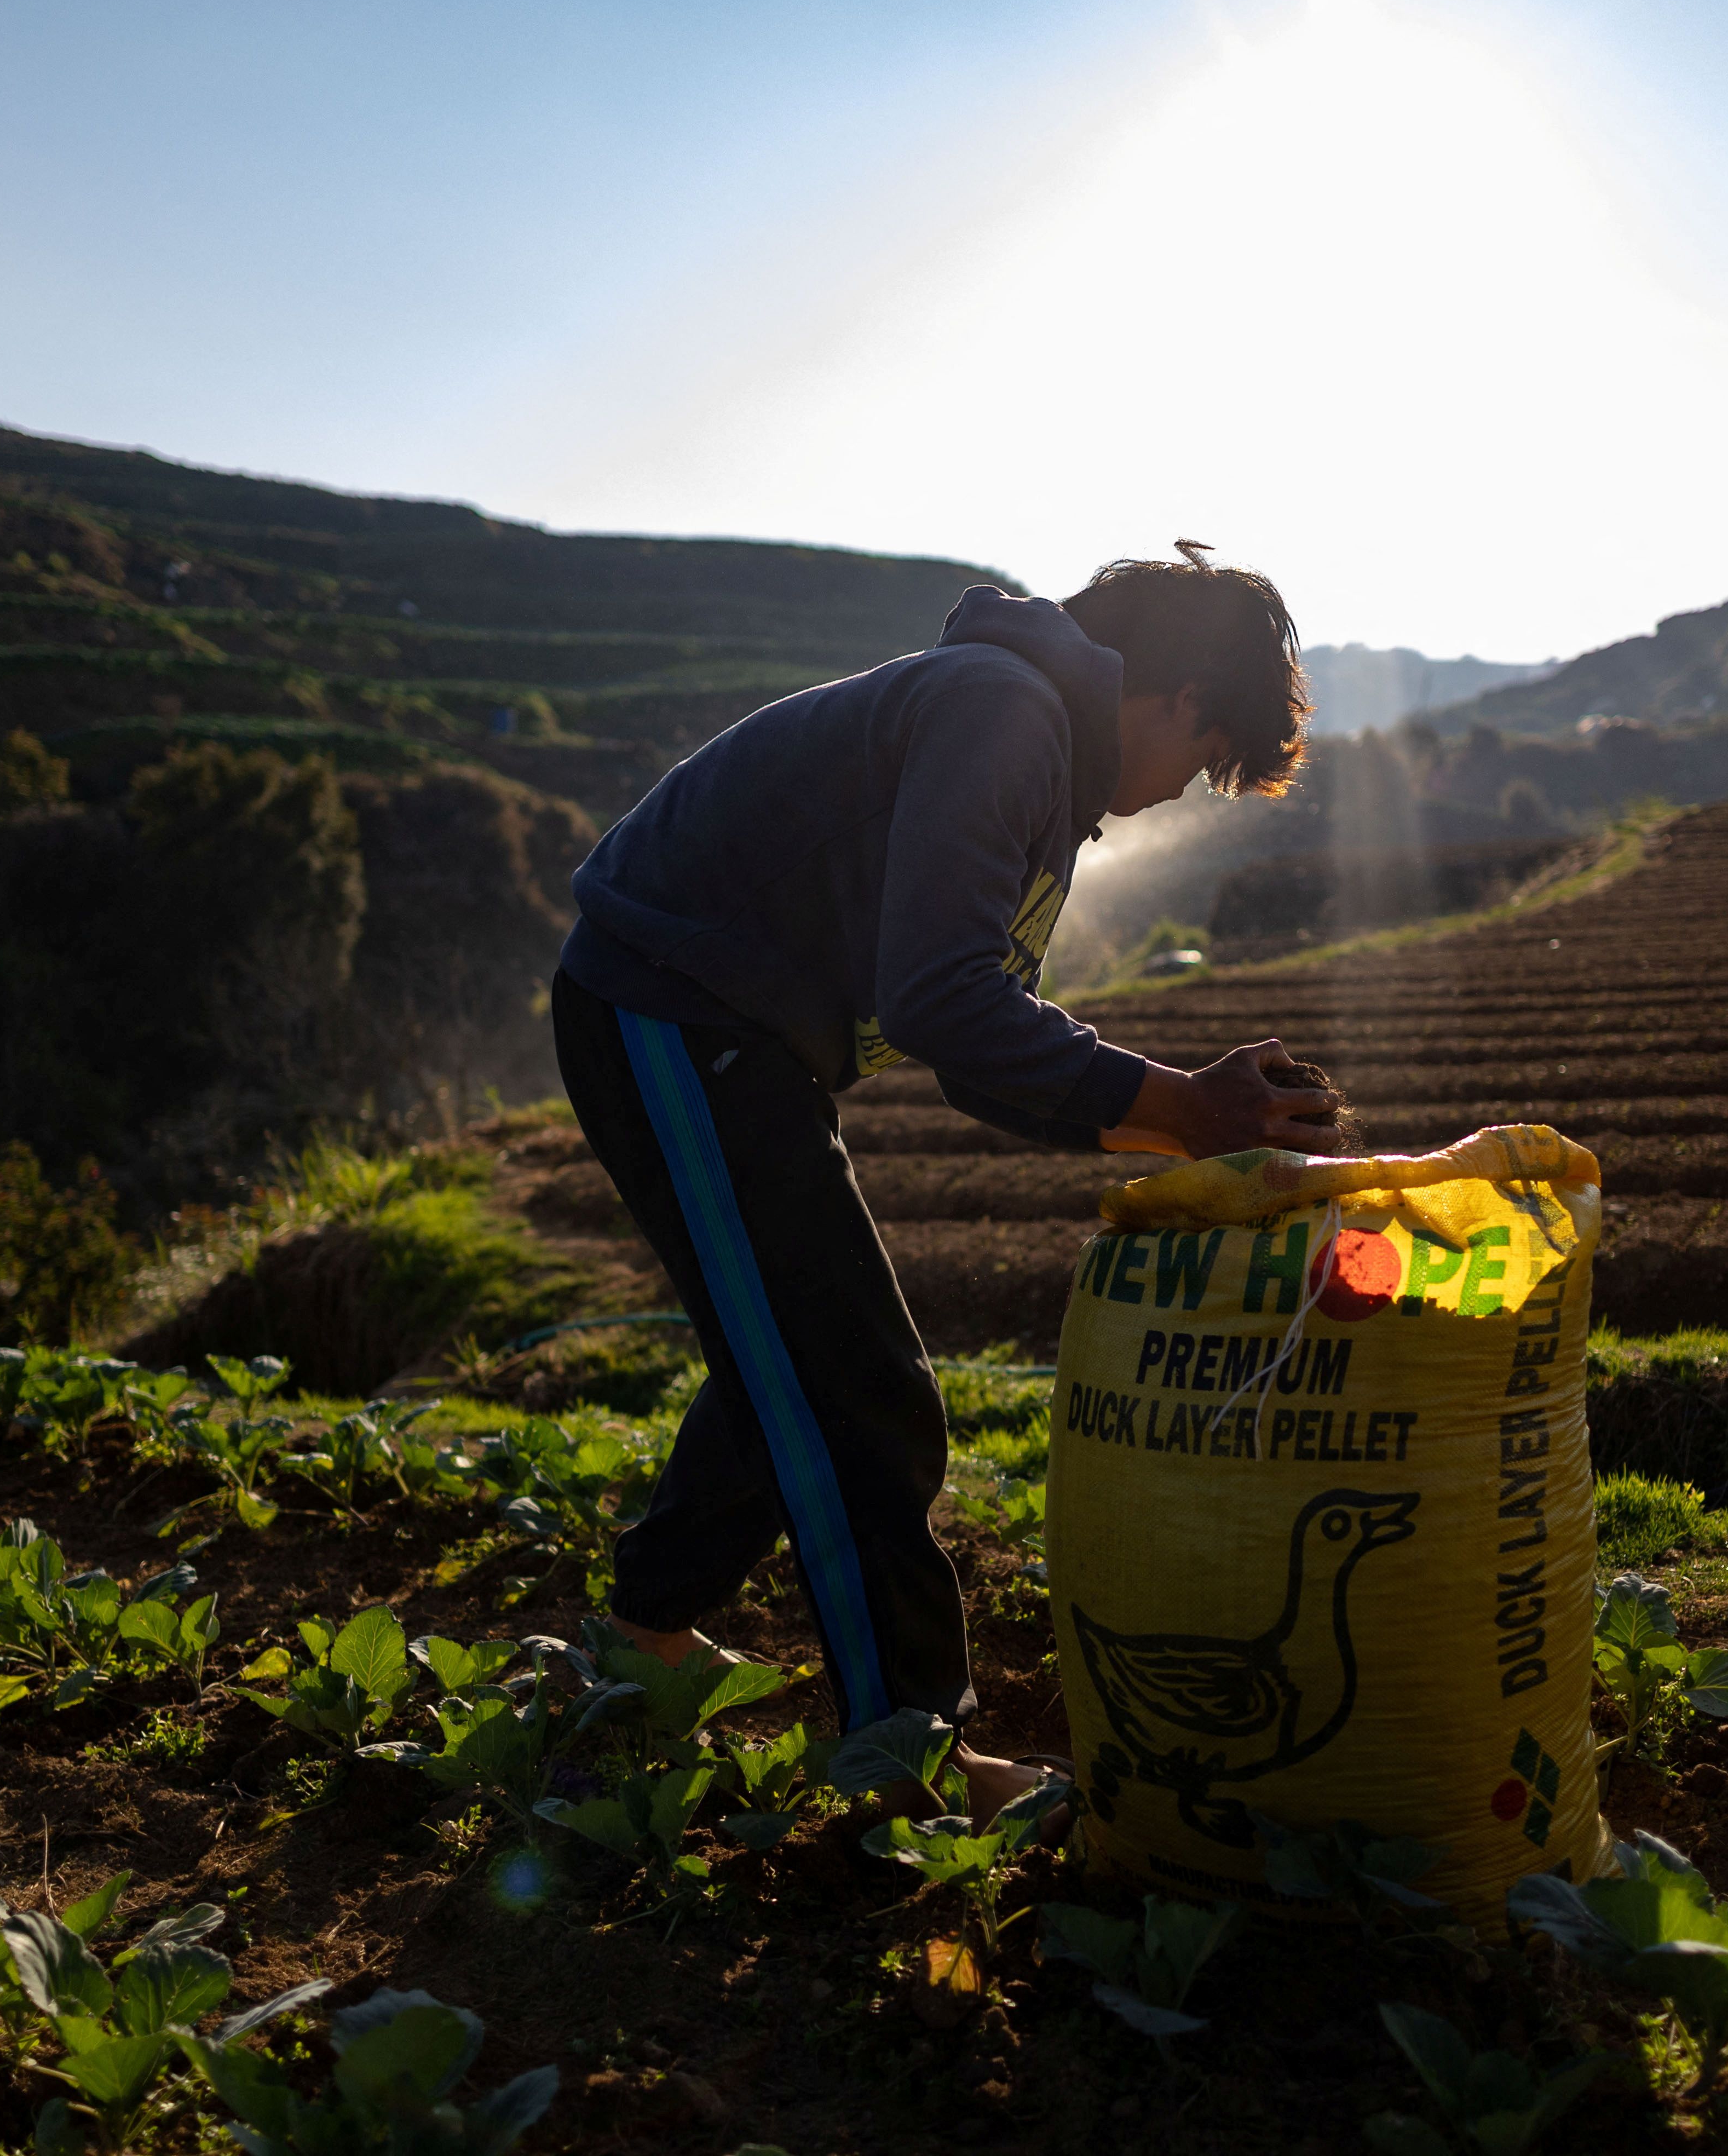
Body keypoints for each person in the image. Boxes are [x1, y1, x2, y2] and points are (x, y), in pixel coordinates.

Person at [549, 546, 1346, 1806]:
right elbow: (941, 1000)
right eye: (1200, 763)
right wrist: (1177, 1104)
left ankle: (642, 1641)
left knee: (804, 1359)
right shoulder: (1007, 713)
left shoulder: (1042, 758)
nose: (1170, 795)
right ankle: (910, 1753)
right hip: (668, 1008)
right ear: (1184, 694)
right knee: (851, 1380)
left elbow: (977, 1051)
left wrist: (1184, 1128)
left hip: (736, 1041)